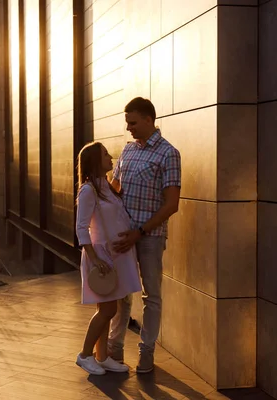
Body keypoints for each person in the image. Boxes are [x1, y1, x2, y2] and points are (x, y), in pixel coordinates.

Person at [108, 97, 181, 374]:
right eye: (127, 123)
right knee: (122, 293)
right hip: (124, 236)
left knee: (152, 295)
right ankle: (115, 349)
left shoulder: (168, 154)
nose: (129, 128)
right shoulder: (127, 151)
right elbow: (115, 188)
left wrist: (141, 231)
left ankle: (146, 352)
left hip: (149, 237)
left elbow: (171, 204)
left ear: (149, 120)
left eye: (133, 123)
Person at [75, 141, 142, 375]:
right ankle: (85, 355)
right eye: (105, 154)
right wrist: (95, 259)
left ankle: (102, 357)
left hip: (114, 255)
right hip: (101, 256)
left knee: (108, 308)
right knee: (106, 310)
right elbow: (81, 228)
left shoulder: (106, 187)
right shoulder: (88, 191)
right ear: (95, 160)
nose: (110, 157)